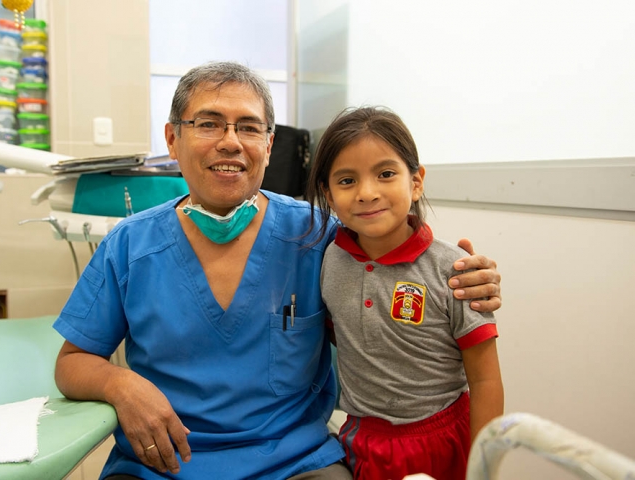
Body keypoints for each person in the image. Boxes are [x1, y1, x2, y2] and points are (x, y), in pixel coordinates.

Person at [53, 62, 502, 480]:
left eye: (248, 127)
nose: (230, 141)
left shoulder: (320, 236)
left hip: (296, 463)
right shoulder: (130, 246)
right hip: (163, 465)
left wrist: (465, 273)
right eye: (208, 123)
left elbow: (397, 251)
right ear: (172, 139)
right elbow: (72, 363)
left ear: (268, 145)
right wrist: (119, 384)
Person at [306, 106, 504, 480]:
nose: (367, 193)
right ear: (328, 194)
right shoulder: (329, 258)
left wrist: (484, 464)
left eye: (385, 174)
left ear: (416, 182)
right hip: (362, 439)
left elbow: (485, 380)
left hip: (442, 439)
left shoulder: (456, 269)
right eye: (346, 180)